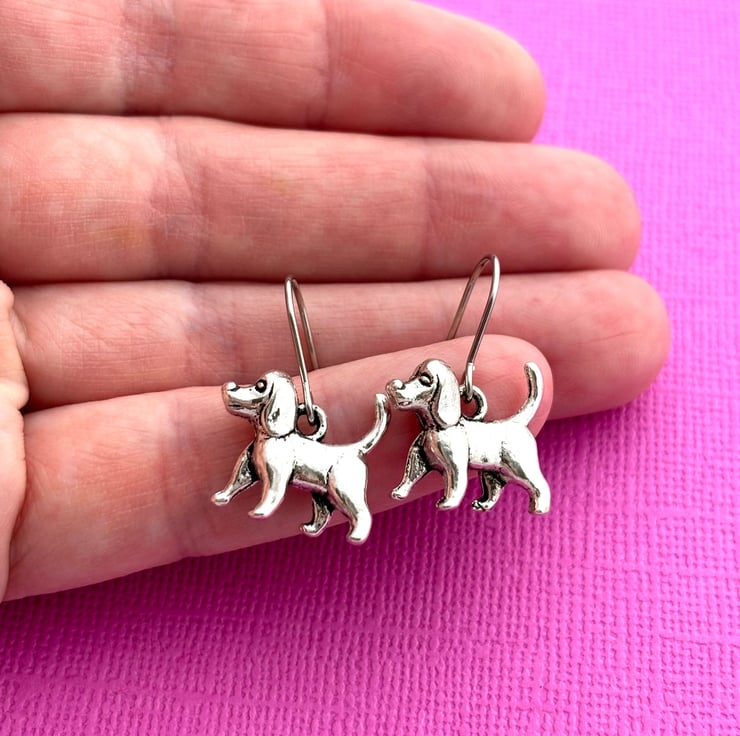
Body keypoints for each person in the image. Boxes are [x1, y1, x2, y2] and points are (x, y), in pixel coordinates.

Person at [0, 0, 669, 600]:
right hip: (318, 441)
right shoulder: (294, 431)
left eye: (419, 389)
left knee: (464, 471)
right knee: (362, 475)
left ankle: (471, 498)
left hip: (357, 446)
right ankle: (342, 504)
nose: (409, 393)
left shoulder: (405, 427)